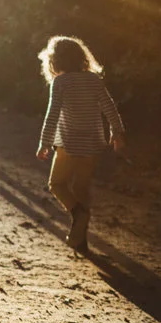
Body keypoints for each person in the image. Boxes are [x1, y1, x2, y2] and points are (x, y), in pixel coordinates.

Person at [34, 35, 125, 254]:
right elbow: (109, 107)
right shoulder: (93, 80)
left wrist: (44, 142)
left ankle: (78, 215)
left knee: (57, 184)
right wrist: (117, 132)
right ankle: (80, 239)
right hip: (92, 145)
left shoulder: (60, 82)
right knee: (82, 189)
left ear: (55, 61)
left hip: (67, 144)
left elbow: (52, 114)